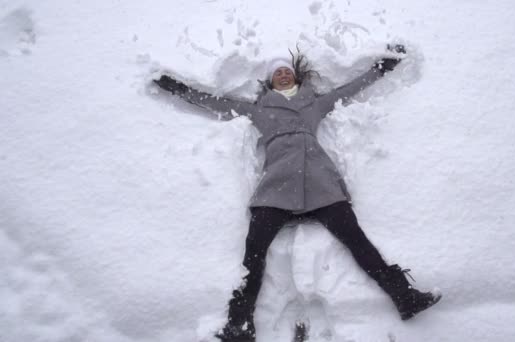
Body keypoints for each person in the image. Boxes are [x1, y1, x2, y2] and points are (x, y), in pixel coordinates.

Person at [153, 45, 440, 342]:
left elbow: (350, 89)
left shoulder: (314, 104)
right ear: (270, 81)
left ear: (296, 77)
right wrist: (178, 89)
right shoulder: (259, 109)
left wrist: (380, 68)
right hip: (276, 188)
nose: (283, 74)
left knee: (358, 242)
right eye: (278, 72)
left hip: (320, 185)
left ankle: (404, 297)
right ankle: (240, 325)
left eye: (287, 70)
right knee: (254, 252)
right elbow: (217, 104)